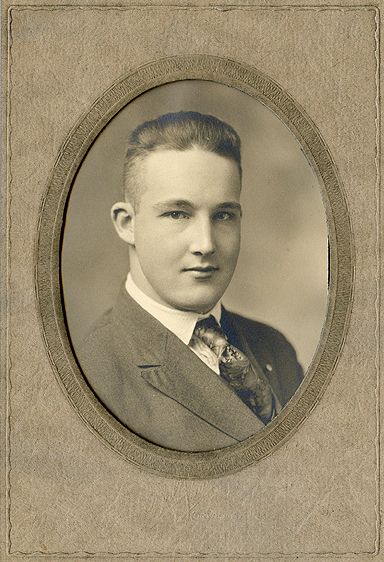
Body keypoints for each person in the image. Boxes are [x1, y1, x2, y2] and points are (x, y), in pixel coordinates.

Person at [77, 111, 303, 452]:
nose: (206, 244)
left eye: (223, 215)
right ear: (127, 224)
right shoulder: (95, 374)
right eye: (177, 214)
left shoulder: (274, 347)